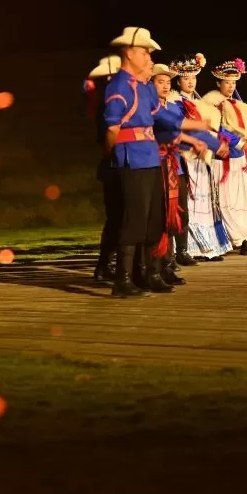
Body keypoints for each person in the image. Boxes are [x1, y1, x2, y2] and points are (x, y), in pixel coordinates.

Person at [103, 27, 211, 297]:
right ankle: (123, 279)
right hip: (131, 159)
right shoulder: (118, 86)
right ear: (128, 53)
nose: (149, 58)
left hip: (150, 157)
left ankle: (151, 273)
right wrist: (112, 158)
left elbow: (163, 119)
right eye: (144, 52)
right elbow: (111, 129)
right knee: (134, 219)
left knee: (153, 219)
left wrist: (194, 127)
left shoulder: (144, 88)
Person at [150, 63, 216, 285]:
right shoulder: (153, 111)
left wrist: (202, 141)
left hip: (175, 166)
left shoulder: (171, 108)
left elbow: (179, 133)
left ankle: (169, 264)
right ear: (151, 85)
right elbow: (171, 134)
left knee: (176, 215)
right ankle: (156, 267)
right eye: (161, 81)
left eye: (168, 82)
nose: (166, 85)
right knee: (160, 218)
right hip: (157, 167)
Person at [166, 53, 234, 261]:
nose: (190, 82)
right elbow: (188, 130)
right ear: (178, 81)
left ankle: (209, 246)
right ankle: (189, 248)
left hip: (202, 157)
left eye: (193, 78)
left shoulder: (200, 102)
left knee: (205, 201)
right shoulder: (176, 103)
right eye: (186, 79)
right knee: (191, 202)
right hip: (186, 156)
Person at [199, 59, 247, 256]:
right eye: (227, 83)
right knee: (225, 201)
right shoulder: (211, 104)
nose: (231, 86)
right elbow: (218, 129)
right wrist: (240, 144)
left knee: (242, 200)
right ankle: (227, 238)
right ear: (218, 83)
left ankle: (245, 239)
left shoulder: (239, 105)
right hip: (223, 160)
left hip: (239, 159)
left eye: (233, 83)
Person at [83, 55, 123, 281]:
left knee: (116, 217)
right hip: (114, 163)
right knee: (117, 216)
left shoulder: (106, 101)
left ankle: (106, 264)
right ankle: (106, 264)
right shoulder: (108, 103)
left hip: (113, 162)